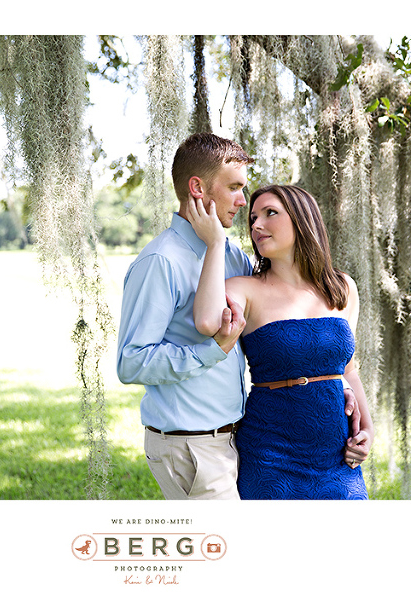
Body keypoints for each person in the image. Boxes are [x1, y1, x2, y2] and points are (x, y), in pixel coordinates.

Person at [116, 133, 360, 500]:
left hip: (237, 437)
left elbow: (279, 329)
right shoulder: (161, 262)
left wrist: (335, 384)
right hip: (190, 444)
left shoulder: (232, 258)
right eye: (233, 187)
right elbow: (131, 363)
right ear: (197, 188)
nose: (243, 203)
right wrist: (211, 350)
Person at [188, 184, 373, 499]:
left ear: (302, 220)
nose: (257, 225)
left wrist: (367, 430)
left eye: (270, 213)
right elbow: (207, 322)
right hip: (270, 453)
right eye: (253, 218)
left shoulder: (342, 287)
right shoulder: (245, 289)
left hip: (336, 456)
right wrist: (216, 242)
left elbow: (349, 370)